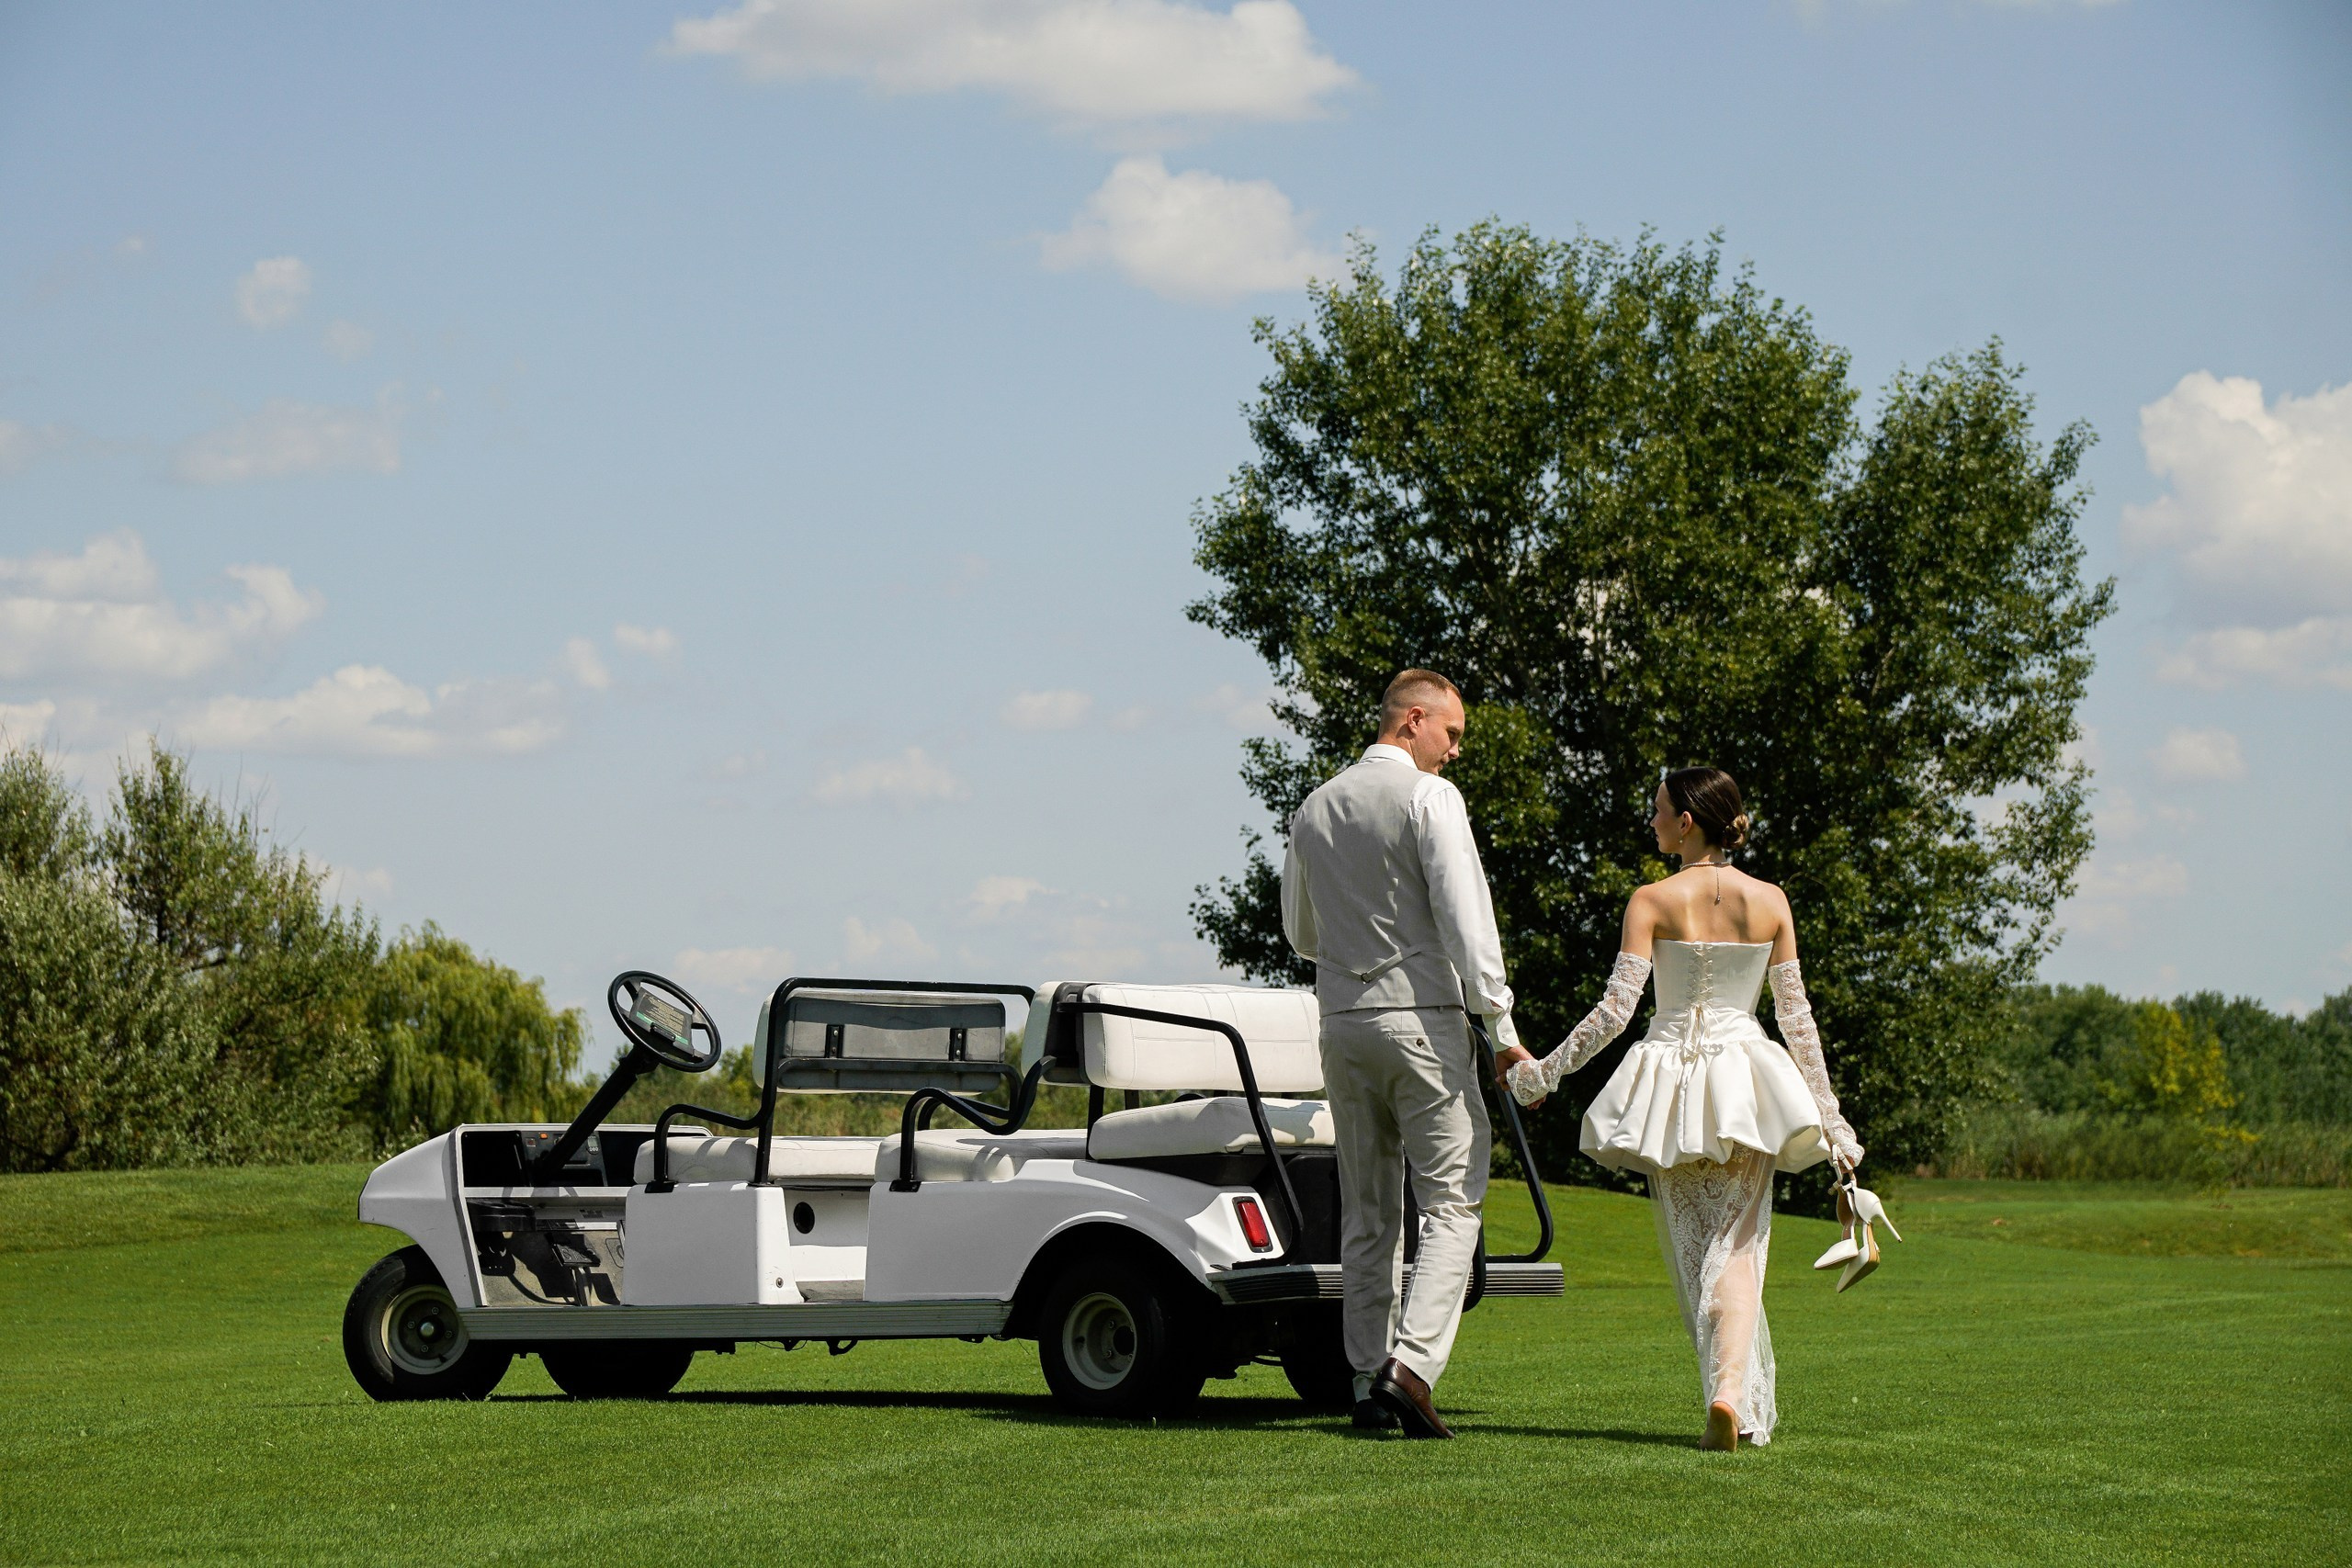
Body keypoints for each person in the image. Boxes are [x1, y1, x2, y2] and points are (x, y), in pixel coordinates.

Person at [1510, 766, 1867, 1451]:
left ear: (1687, 821)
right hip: (1749, 1084)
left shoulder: (1651, 898)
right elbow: (1798, 1021)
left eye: (1658, 810)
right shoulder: (1770, 900)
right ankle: (1731, 1396)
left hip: (1670, 1084)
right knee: (1737, 1249)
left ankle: (1726, 1396)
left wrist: (1543, 1073)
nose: (1651, 821)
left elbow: (1616, 1012)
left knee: (1696, 1248)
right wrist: (1832, 1117)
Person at [1281, 669, 1534, 1438]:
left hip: (1343, 1021)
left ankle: (1365, 1379)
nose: (1453, 752)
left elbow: (1300, 933)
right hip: (1422, 1018)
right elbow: (1467, 920)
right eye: (1451, 734)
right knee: (1454, 1198)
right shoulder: (1431, 799)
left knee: (1368, 1210)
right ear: (1412, 720)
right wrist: (1501, 1023)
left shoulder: (1313, 807)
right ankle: (1412, 1366)